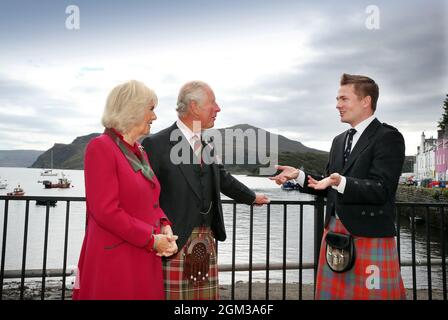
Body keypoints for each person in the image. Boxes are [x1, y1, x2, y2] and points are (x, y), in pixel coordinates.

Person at [270, 73, 406, 300]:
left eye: (343, 99)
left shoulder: (388, 137)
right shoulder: (339, 140)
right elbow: (327, 182)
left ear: (366, 101)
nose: (337, 105)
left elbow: (382, 189)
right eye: (337, 99)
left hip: (369, 236)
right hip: (334, 235)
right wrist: (299, 176)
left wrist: (340, 181)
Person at [142, 81, 270, 299]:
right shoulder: (156, 144)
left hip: (206, 239)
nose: (218, 109)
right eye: (213, 103)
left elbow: (223, 179)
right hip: (174, 242)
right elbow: (146, 196)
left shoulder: (206, 145)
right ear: (194, 106)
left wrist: (252, 197)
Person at [73, 80, 178, 300]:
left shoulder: (139, 150)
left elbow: (152, 201)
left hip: (143, 254)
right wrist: (151, 239)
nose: (154, 117)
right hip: (116, 261)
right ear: (134, 109)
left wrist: (165, 226)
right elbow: (105, 211)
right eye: (151, 109)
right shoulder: (101, 147)